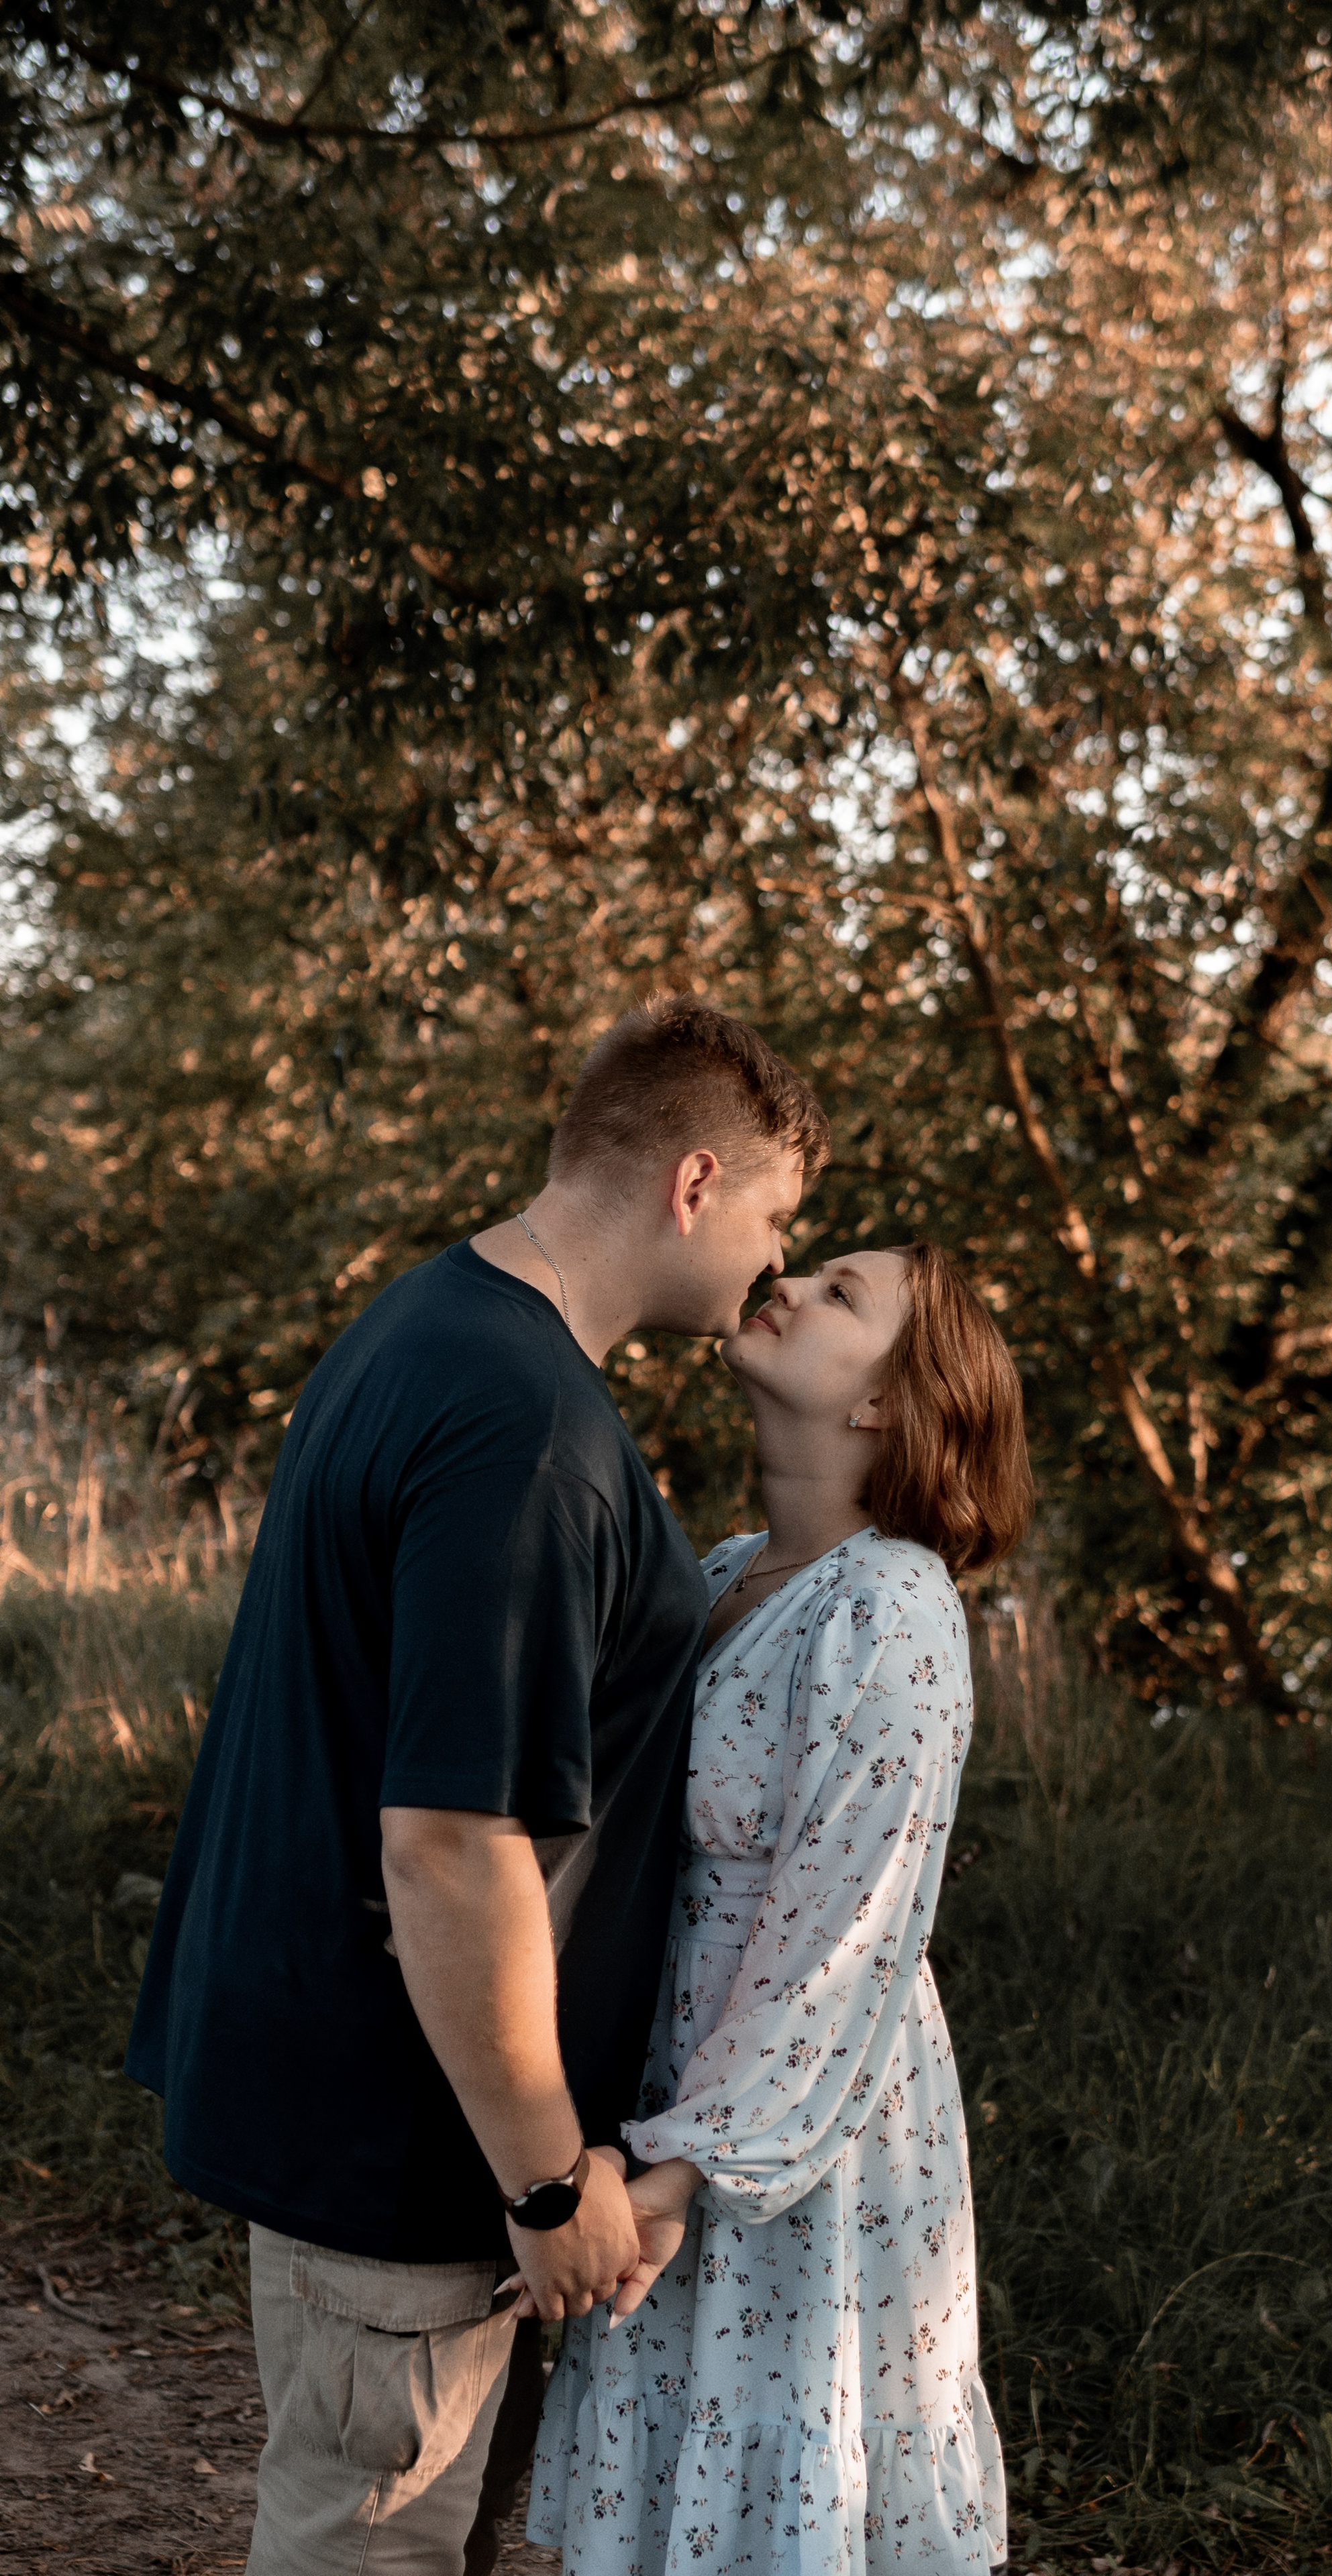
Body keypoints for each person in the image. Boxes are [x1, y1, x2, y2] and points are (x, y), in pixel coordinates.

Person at [125, 996, 829, 2576]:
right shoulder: (524, 1426)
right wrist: (544, 2169)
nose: (776, 1267)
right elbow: (449, 1841)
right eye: (780, 1220)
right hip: (406, 2143)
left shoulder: (431, 1322)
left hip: (367, 2100)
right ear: (696, 1183)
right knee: (364, 2547)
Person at [529, 1239, 1033, 2575]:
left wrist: (689, 2170)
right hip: (684, 2087)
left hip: (801, 2139)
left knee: (781, 2495)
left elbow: (842, 1936)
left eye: (841, 1294)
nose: (791, 1282)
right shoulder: (733, 1566)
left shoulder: (892, 1607)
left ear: (882, 1402)